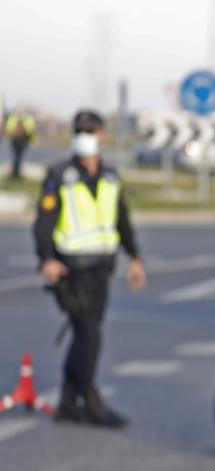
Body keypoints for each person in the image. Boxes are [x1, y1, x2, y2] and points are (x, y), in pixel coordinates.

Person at [33, 109, 146, 428]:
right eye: (80, 132)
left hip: (102, 267)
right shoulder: (60, 175)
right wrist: (46, 259)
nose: (85, 138)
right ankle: (90, 398)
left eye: (91, 132)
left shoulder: (110, 177)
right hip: (72, 270)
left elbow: (122, 219)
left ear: (103, 136)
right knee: (89, 335)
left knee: (86, 333)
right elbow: (44, 222)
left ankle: (69, 401)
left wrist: (135, 257)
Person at [5, 109, 36, 180]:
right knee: (18, 157)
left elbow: (9, 129)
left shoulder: (14, 118)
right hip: (19, 140)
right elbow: (31, 130)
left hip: (19, 140)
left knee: (17, 156)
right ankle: (15, 173)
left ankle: (15, 173)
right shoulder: (27, 119)